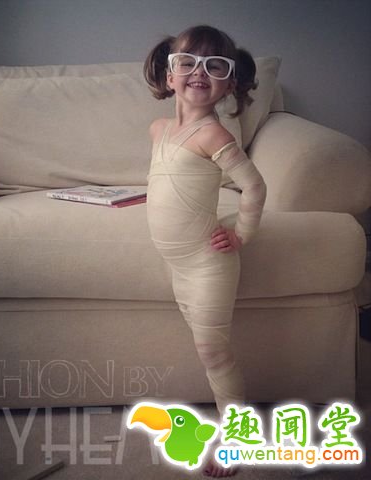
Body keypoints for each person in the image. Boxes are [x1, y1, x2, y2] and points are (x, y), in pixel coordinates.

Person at [144, 25, 267, 477]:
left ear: (229, 84)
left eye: (215, 66)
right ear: (169, 75)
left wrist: (242, 234)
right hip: (177, 264)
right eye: (188, 63)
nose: (200, 72)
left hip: (207, 262)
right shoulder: (158, 129)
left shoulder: (214, 134)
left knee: (214, 352)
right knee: (206, 350)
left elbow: (254, 186)